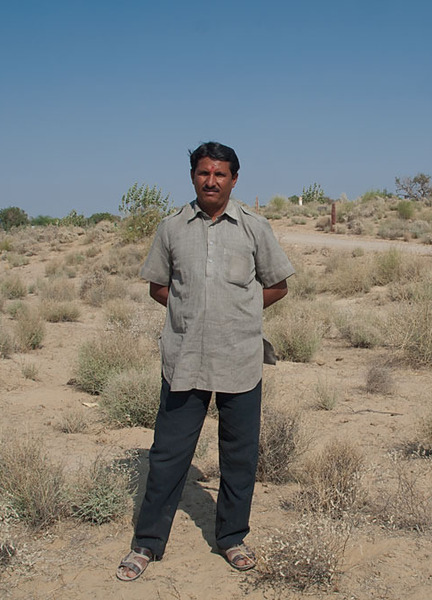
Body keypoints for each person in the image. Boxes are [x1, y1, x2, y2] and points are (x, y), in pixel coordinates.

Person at [116, 142, 294, 581]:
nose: (210, 181)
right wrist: (192, 313)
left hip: (240, 359)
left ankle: (232, 537)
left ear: (234, 179)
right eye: (203, 173)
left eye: (220, 174)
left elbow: (277, 284)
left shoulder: (254, 227)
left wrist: (240, 314)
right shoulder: (172, 228)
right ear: (192, 176)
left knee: (239, 456)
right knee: (168, 455)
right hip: (185, 359)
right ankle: (147, 544)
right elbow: (159, 286)